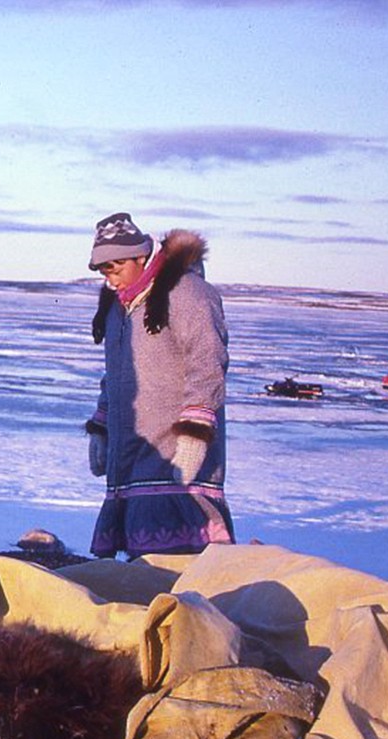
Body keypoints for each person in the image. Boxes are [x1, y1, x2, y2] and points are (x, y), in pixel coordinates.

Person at [83, 212, 234, 557]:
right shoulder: (118, 308)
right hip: (134, 449)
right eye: (105, 272)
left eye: (117, 269)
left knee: (181, 560)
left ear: (140, 256)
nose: (112, 280)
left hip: (174, 447)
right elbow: (117, 373)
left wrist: (195, 433)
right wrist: (102, 426)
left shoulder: (187, 293)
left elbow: (207, 360)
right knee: (141, 562)